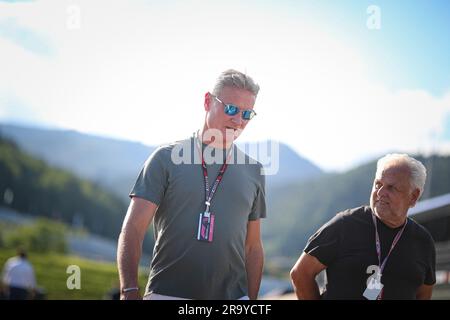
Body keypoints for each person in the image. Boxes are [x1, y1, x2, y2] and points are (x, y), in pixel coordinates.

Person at [117, 69, 266, 300]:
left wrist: (252, 301)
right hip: (166, 295)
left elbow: (253, 247)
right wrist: (128, 291)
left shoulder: (254, 171)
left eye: (247, 114)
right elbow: (133, 229)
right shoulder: (165, 158)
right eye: (231, 109)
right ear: (208, 101)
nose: (238, 121)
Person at [290, 153, 436, 300]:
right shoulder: (345, 224)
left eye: (391, 188)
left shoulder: (423, 241)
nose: (380, 193)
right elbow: (301, 274)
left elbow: (424, 294)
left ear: (413, 196)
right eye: (378, 184)